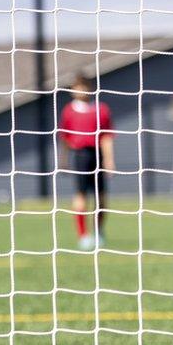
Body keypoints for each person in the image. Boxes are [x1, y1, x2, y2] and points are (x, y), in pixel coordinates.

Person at [58, 74, 115, 250]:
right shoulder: (68, 111)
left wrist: (109, 160)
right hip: (80, 156)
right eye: (77, 87)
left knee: (102, 198)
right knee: (80, 196)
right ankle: (83, 235)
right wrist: (64, 160)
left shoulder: (101, 109)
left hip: (97, 154)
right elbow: (65, 138)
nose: (81, 90)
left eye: (84, 86)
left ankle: (98, 232)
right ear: (72, 90)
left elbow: (106, 136)